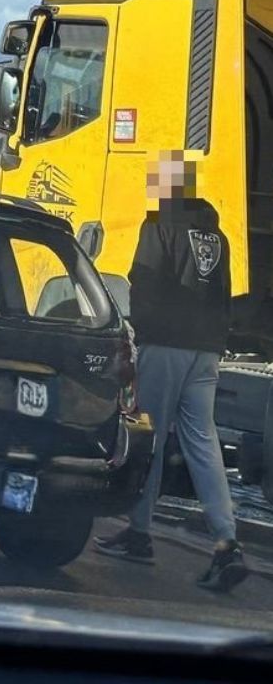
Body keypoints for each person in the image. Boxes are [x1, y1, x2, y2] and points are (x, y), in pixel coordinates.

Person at [94, 151, 248, 591]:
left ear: (164, 186)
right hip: (206, 350)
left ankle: (139, 533)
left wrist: (138, 332)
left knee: (150, 438)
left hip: (164, 344)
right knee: (203, 442)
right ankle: (227, 541)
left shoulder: (158, 224)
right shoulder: (215, 233)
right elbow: (224, 292)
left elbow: (143, 281)